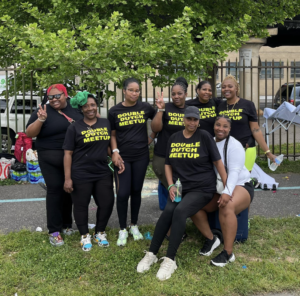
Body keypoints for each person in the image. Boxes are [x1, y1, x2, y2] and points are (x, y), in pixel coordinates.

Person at [136, 106, 227, 281]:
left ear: (198, 121)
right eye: (189, 119)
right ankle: (152, 253)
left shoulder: (205, 137)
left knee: (180, 211)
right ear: (184, 119)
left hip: (201, 188)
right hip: (180, 187)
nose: (192, 122)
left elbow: (218, 162)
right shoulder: (174, 137)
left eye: (195, 119)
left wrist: (227, 188)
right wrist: (170, 186)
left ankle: (170, 259)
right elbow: (168, 164)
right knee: (168, 212)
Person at [63, 92, 124, 251]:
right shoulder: (74, 127)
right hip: (81, 172)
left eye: (92, 105)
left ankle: (99, 232)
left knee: (107, 202)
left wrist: (115, 155)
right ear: (81, 108)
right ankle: (84, 235)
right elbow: (68, 154)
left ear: (97, 106)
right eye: (86, 106)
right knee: (81, 205)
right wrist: (68, 178)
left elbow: (110, 142)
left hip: (102, 171)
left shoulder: (105, 123)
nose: (90, 108)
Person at [191, 115, 255, 267]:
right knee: (192, 205)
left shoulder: (234, 145)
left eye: (225, 126)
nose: (221, 129)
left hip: (240, 185)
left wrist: (227, 192)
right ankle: (212, 238)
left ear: (230, 129)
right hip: (218, 187)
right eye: (218, 125)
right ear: (214, 126)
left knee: (227, 206)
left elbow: (234, 172)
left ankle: (228, 252)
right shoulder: (209, 142)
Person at [26, 84, 83, 246]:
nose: (54, 99)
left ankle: (67, 225)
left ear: (65, 95)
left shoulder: (75, 107)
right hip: (49, 157)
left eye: (58, 96)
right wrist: (41, 119)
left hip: (73, 157)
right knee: (55, 189)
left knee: (69, 189)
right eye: (50, 97)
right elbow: (29, 133)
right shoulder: (43, 110)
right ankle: (54, 230)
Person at [108, 78, 156, 246]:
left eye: (137, 91)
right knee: (122, 193)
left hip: (141, 156)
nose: (135, 93)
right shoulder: (114, 111)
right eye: (131, 90)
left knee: (136, 191)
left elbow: (157, 123)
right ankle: (122, 228)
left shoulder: (145, 108)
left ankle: (133, 225)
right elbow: (112, 135)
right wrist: (115, 152)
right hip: (123, 157)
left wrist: (151, 138)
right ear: (124, 91)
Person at [217, 75, 276, 171]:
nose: (226, 89)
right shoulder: (220, 106)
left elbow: (255, 129)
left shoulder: (247, 104)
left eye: (230, 86)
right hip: (227, 149)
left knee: (243, 180)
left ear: (236, 88)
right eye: (223, 87)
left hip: (246, 148)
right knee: (228, 180)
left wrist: (268, 152)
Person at [151, 78, 187, 191]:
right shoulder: (166, 107)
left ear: (185, 94)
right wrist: (160, 110)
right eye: (173, 94)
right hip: (163, 155)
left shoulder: (190, 110)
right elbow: (155, 128)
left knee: (180, 188)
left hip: (182, 156)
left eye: (179, 93)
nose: (176, 96)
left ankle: (175, 207)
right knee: (173, 188)